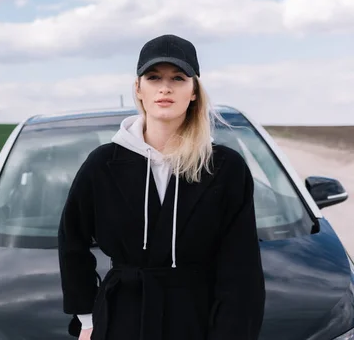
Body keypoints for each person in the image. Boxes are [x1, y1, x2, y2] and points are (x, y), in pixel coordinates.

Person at [57, 34, 266, 340]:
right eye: (154, 77)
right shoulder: (103, 164)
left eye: (178, 78)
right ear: (138, 89)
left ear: (193, 91)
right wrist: (87, 319)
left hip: (197, 317)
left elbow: (241, 268)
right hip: (119, 319)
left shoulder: (223, 168)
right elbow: (71, 240)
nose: (165, 87)